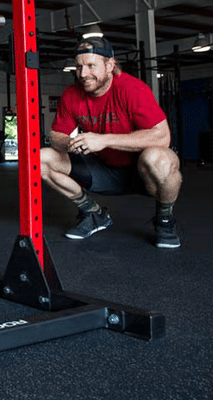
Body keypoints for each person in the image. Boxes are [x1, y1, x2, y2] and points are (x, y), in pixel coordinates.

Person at [40, 36, 182, 249]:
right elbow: (57, 135)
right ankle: (93, 212)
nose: (83, 74)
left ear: (109, 65)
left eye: (90, 66)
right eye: (79, 67)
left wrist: (104, 140)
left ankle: (164, 219)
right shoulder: (71, 94)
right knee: (41, 158)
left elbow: (162, 136)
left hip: (142, 173)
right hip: (102, 170)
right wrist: (71, 143)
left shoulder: (132, 89)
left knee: (159, 158)